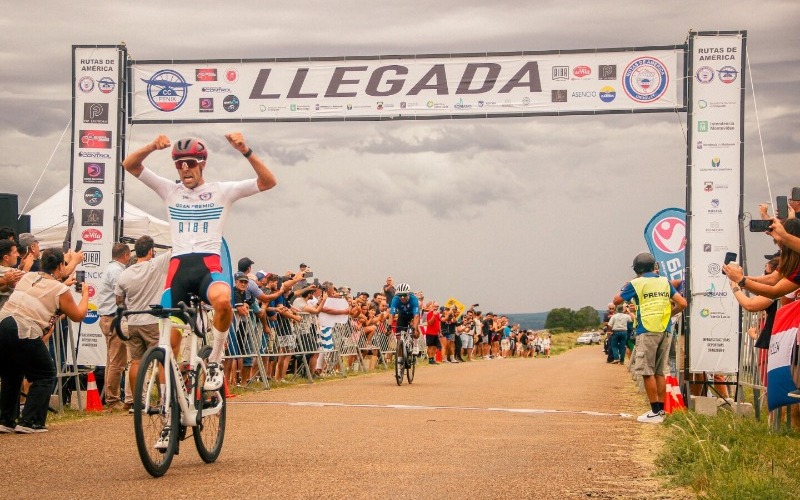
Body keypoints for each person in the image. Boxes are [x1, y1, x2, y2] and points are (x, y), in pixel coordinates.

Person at [122, 133, 277, 391]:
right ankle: (168, 406)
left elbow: (268, 181)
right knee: (168, 345)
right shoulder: (169, 190)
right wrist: (151, 146)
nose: (185, 168)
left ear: (202, 163)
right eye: (179, 164)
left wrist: (244, 150)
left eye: (190, 162)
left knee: (224, 302)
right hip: (178, 270)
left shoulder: (221, 191)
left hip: (208, 267)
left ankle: (215, 359)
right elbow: (130, 165)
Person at [0, 248, 88, 433]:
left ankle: (6, 419)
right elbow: (78, 315)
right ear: (59, 265)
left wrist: (69, 263)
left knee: (12, 373)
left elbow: (46, 292)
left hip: (4, 323)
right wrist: (86, 293)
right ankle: (30, 421)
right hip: (24, 329)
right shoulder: (60, 289)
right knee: (45, 373)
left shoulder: (28, 277)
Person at [614, 252, 686, 424]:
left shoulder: (636, 283)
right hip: (665, 329)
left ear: (637, 269)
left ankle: (654, 411)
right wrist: (669, 314)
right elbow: (682, 303)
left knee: (647, 371)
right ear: (654, 266)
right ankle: (660, 410)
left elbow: (616, 301)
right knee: (660, 371)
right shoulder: (664, 282)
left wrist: (626, 288)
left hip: (647, 329)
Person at [115, 236, 173, 412]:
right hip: (153, 321)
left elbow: (119, 299)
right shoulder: (156, 264)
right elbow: (175, 251)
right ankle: (165, 399)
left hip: (133, 320)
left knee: (136, 362)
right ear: (150, 251)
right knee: (162, 360)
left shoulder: (125, 273)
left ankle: (137, 402)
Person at [96, 242, 131, 411]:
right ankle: (113, 400)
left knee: (112, 360)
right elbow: (124, 292)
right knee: (117, 361)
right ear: (126, 255)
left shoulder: (110, 268)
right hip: (113, 317)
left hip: (106, 317)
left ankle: (111, 398)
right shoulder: (117, 271)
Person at [389, 282, 421, 366]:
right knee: (399, 337)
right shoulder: (395, 299)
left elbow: (416, 316)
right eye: (400, 295)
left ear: (408, 294)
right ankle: (400, 357)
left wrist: (414, 327)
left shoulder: (414, 299)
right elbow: (391, 314)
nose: (402, 297)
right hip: (402, 315)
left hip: (412, 315)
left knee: (415, 330)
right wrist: (389, 326)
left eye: (404, 295)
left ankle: (415, 344)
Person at [0, 240, 25, 311]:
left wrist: (9, 285)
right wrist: (27, 267)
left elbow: (2, 290)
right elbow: (27, 278)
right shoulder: (8, 272)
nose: (18, 255)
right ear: (6, 257)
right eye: (15, 252)